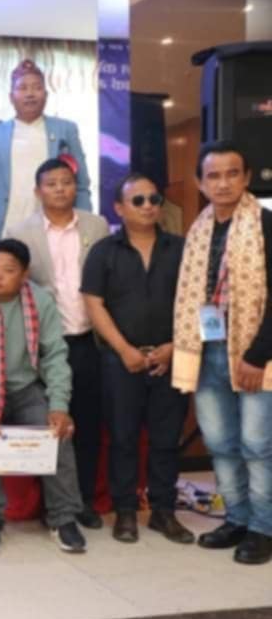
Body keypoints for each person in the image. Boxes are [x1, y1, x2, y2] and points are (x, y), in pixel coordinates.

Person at [0, 239, 85, 555]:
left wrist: (59, 405)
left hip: (26, 389)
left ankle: (63, 518)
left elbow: (55, 355)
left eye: (8, 270)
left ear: (24, 275)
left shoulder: (41, 301)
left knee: (57, 433)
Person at [173, 141, 272, 565]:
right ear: (200, 182)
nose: (223, 183)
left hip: (255, 350)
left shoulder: (265, 224)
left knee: (257, 445)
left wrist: (257, 355)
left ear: (247, 178)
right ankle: (236, 518)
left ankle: (263, 528)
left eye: (233, 174)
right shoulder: (198, 230)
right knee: (220, 442)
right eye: (213, 175)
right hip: (208, 348)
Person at [81, 174, 193, 544]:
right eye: (138, 200)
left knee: (166, 439)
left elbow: (197, 302)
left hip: (170, 356)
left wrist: (174, 346)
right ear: (119, 208)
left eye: (154, 199)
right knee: (123, 437)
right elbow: (94, 303)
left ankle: (163, 511)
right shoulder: (104, 251)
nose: (148, 206)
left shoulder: (181, 248)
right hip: (120, 360)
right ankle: (125, 511)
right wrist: (124, 349)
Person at [8, 158, 109, 529]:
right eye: (51, 184)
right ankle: (50, 502)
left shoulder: (96, 226)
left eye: (66, 182)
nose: (60, 189)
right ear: (38, 191)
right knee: (49, 421)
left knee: (87, 421)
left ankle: (83, 501)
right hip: (45, 344)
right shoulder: (21, 232)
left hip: (89, 338)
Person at [0, 59, 91, 262]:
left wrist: (84, 227)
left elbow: (81, 185)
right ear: (11, 96)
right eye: (23, 88)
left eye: (37, 87)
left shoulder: (65, 130)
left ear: (46, 94)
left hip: (56, 228)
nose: (30, 94)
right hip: (7, 229)